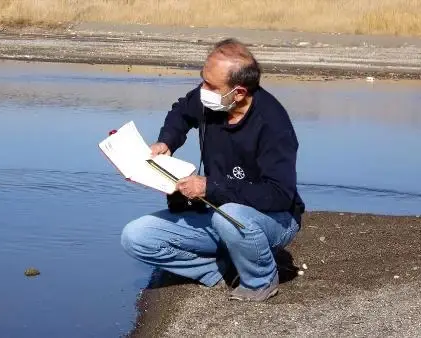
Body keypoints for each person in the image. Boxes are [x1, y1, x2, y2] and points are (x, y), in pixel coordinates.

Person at [120, 38, 305, 302]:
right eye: (202, 80)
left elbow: (279, 195)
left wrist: (209, 187)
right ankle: (218, 271)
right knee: (136, 236)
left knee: (228, 215)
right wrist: (167, 142)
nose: (201, 89)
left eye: (210, 85)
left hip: (274, 220)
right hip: (218, 209)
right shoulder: (212, 100)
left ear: (238, 92)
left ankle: (261, 281)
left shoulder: (273, 126)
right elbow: (181, 113)